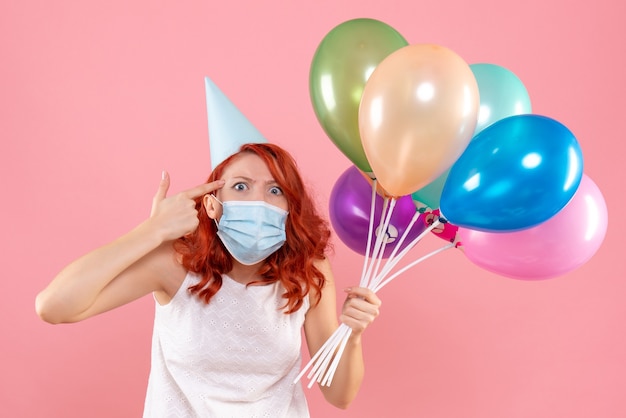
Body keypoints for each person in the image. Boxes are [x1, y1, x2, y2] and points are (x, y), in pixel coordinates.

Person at [36, 143, 382, 417]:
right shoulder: (175, 265)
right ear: (213, 203)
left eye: (275, 191)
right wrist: (152, 231)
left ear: (291, 210)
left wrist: (351, 334)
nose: (257, 201)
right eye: (241, 186)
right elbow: (54, 306)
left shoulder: (308, 271)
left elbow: (339, 396)